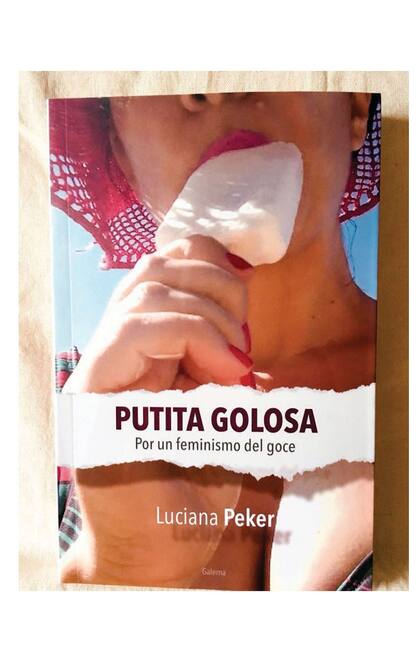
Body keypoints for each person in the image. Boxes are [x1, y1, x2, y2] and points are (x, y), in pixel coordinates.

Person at [50, 92, 380, 590]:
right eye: (155, 68)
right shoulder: (52, 404)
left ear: (355, 106)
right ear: (121, 153)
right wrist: (116, 568)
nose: (213, 87)